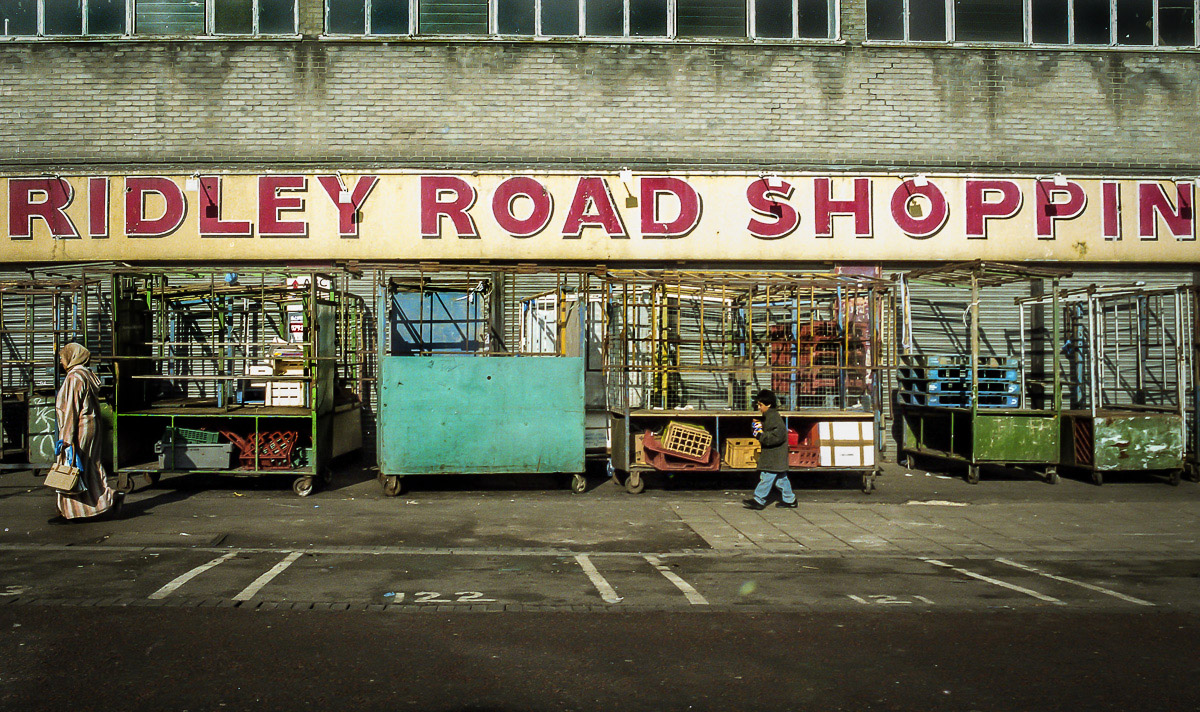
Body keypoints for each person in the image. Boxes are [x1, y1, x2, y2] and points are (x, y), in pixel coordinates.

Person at [50, 343, 121, 522]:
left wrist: (66, 438)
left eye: (62, 357)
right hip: (90, 428)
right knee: (89, 467)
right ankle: (107, 499)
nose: (61, 361)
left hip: (78, 429)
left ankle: (70, 512)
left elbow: (71, 409)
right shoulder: (86, 374)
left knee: (71, 467)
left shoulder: (74, 378)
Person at [743, 388, 796, 510]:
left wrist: (760, 435)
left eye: (760, 405)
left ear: (769, 405)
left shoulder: (773, 418)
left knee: (766, 477)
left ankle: (759, 499)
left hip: (773, 456)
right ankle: (790, 499)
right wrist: (757, 429)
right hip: (776, 455)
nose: (759, 408)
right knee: (780, 479)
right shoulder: (770, 416)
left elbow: (777, 436)